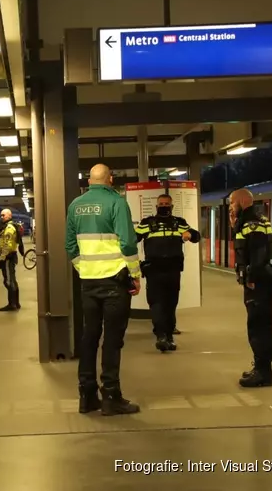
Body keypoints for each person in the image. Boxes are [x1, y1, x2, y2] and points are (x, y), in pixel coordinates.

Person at [65, 163, 141, 416]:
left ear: (89, 180)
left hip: (88, 282)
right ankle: (111, 396)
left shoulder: (75, 205)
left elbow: (70, 246)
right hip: (114, 282)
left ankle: (86, 396)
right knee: (112, 340)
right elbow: (128, 243)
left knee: (89, 337)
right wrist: (135, 274)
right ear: (110, 179)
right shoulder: (116, 202)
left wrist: (83, 269)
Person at [135, 194, 200, 352]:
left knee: (171, 304)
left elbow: (196, 236)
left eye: (167, 204)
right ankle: (161, 336)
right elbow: (133, 239)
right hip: (154, 270)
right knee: (156, 303)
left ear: (172, 206)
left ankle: (169, 335)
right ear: (156, 206)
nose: (164, 206)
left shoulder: (179, 223)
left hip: (173, 270)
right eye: (161, 204)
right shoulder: (147, 223)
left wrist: (190, 235)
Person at [229, 188, 272, 387]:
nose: (230, 207)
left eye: (232, 203)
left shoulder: (253, 223)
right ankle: (261, 367)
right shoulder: (250, 221)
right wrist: (233, 225)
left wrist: (251, 277)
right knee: (258, 324)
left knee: (258, 326)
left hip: (258, 280)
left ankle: (263, 373)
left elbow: (257, 252)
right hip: (257, 279)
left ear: (241, 201)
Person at [0, 209, 24, 311]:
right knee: (12, 279)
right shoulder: (9, 226)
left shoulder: (9, 228)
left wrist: (1, 259)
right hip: (10, 256)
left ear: (9, 215)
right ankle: (16, 303)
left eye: (3, 215)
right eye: (1, 215)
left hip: (8, 257)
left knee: (8, 281)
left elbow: (7, 245)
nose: (2, 217)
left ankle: (12, 304)